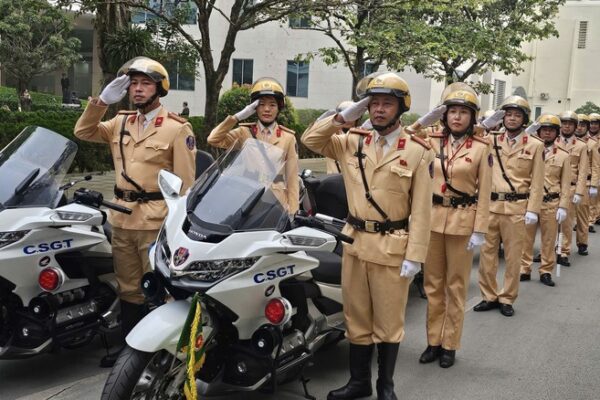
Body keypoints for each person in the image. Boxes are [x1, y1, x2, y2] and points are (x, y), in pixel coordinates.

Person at [302, 72, 434, 400]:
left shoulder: (417, 151)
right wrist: (342, 118)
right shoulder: (353, 141)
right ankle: (358, 382)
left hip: (392, 247)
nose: (378, 109)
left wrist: (416, 255)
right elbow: (311, 140)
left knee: (388, 322)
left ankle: (385, 386)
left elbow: (422, 210)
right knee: (356, 317)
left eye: (387, 103)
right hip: (355, 243)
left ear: (401, 108)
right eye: (373, 103)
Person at [74, 56, 196, 367]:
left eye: (145, 84)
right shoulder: (120, 122)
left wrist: (180, 227)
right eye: (133, 84)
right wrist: (101, 102)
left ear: (160, 89)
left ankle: (161, 355)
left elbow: (185, 186)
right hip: (122, 217)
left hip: (156, 221)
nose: (138, 89)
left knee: (158, 289)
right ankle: (129, 352)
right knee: (128, 288)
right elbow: (83, 131)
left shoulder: (176, 129)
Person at [418, 86, 492, 368]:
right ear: (444, 115)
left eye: (463, 112)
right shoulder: (431, 140)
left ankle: (450, 344)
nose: (457, 117)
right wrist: (423, 121)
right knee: (432, 285)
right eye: (452, 112)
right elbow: (407, 136)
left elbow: (484, 192)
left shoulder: (481, 147)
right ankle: (433, 341)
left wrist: (480, 229)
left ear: (472, 117)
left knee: (456, 286)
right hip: (433, 219)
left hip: (463, 221)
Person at [474, 95, 544, 317]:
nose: (512, 119)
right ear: (502, 118)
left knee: (514, 257)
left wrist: (533, 210)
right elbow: (470, 137)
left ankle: (507, 297)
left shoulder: (535, 145)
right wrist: (485, 124)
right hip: (491, 206)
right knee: (487, 255)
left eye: (517, 115)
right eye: (508, 114)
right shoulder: (490, 139)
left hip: (516, 208)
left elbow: (537, 181)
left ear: (524, 119)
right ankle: (489, 295)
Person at [207, 77, 299, 214]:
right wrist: (237, 117)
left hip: (275, 201)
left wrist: (293, 212)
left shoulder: (288, 138)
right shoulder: (244, 132)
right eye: (261, 104)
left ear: (279, 108)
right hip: (247, 198)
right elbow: (213, 139)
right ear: (254, 108)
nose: (267, 109)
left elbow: (292, 179)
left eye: (272, 105)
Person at [520, 114, 571, 287]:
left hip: (550, 202)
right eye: (544, 130)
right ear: (538, 132)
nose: (547, 133)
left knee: (548, 239)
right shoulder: (528, 150)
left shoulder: (563, 155)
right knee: (526, 238)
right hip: (530, 202)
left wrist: (563, 206)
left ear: (557, 133)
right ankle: (524, 268)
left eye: (551, 130)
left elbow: (565, 184)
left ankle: (546, 270)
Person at [557, 111, 588, 266]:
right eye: (564, 123)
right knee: (549, 223)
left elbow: (583, 171)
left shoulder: (581, 146)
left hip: (570, 188)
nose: (567, 126)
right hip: (552, 187)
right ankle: (547, 250)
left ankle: (563, 251)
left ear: (575, 127)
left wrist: (579, 192)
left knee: (566, 223)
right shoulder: (552, 141)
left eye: (570, 124)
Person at [574, 114, 599, 242]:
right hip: (570, 182)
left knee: (583, 214)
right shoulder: (566, 141)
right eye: (577, 125)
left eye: (583, 125)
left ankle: (582, 242)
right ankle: (561, 247)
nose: (579, 128)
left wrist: (594, 185)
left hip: (586, 182)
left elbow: (596, 165)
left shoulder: (593, 143)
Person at [588, 112, 600, 227]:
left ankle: (593, 218)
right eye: (591, 123)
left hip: (597, 170)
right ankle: (590, 220)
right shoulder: (583, 137)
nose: (593, 126)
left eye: (596, 123)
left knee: (595, 199)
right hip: (588, 171)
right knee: (591, 199)